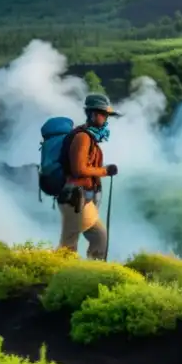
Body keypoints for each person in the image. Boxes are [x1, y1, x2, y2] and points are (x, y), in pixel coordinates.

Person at [57, 93, 120, 260]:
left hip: (80, 195)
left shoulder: (89, 137)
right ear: (92, 114)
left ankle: (90, 271)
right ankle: (61, 274)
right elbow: (79, 169)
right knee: (70, 242)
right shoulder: (83, 137)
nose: (106, 119)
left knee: (97, 236)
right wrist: (104, 171)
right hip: (74, 194)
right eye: (103, 114)